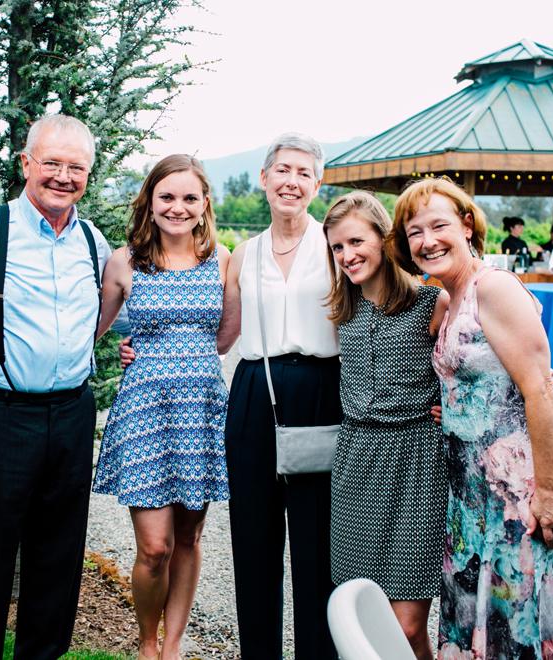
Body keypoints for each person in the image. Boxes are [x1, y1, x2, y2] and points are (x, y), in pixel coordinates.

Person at [0, 114, 113, 660]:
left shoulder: (93, 240)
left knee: (59, 553)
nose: (63, 176)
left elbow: (104, 317)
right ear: (26, 163)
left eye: (76, 167)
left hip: (72, 411)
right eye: (52, 163)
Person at [390, 177, 553, 659]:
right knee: (473, 621)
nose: (427, 241)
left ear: (467, 226)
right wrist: (454, 407)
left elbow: (539, 388)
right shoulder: (451, 296)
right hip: (467, 493)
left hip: (513, 492)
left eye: (439, 226)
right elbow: (483, 376)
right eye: (415, 232)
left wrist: (549, 491)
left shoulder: (492, 286)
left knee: (512, 625)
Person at [93, 154, 230, 660]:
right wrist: (128, 347)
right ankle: (146, 644)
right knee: (154, 547)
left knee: (189, 539)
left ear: (204, 203)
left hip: (201, 408)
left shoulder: (222, 259)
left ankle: (172, 646)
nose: (178, 207)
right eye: (167, 196)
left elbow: (227, 334)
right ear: (149, 202)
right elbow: (93, 331)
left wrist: (187, 354)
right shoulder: (124, 261)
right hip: (146, 410)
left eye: (189, 197)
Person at [216, 133, 343, 659]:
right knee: (253, 538)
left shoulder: (336, 246)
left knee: (318, 543)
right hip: (254, 390)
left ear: (317, 184)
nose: (292, 181)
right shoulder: (243, 254)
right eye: (283, 170)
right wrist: (145, 347)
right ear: (265, 178)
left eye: (304, 173)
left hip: (321, 391)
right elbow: (222, 334)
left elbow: (396, 304)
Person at [322, 191, 448, 660]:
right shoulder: (344, 310)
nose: (347, 255)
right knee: (366, 616)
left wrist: (451, 406)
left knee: (406, 626)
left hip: (416, 464)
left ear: (383, 237)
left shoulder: (431, 302)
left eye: (356, 241)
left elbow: (474, 360)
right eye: (337, 247)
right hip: (355, 463)